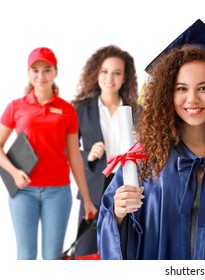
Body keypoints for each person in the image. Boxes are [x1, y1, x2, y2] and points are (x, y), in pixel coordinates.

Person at [97, 19, 205, 260]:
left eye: (204, 88)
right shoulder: (143, 160)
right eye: (181, 88)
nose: (192, 99)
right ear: (168, 94)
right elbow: (110, 229)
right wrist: (117, 213)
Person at [0, 47, 97, 260]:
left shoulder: (67, 110)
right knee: (26, 256)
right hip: (23, 192)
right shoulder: (16, 107)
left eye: (46, 70)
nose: (41, 76)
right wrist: (13, 172)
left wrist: (86, 199)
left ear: (55, 72)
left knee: (52, 258)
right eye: (35, 70)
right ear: (29, 73)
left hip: (57, 193)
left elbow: (74, 156)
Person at [71, 45, 141, 256]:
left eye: (117, 73)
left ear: (124, 78)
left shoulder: (138, 111)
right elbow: (66, 151)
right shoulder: (80, 109)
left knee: (123, 246)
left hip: (127, 186)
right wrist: (87, 154)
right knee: (87, 250)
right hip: (92, 190)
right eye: (105, 71)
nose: (110, 78)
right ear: (96, 73)